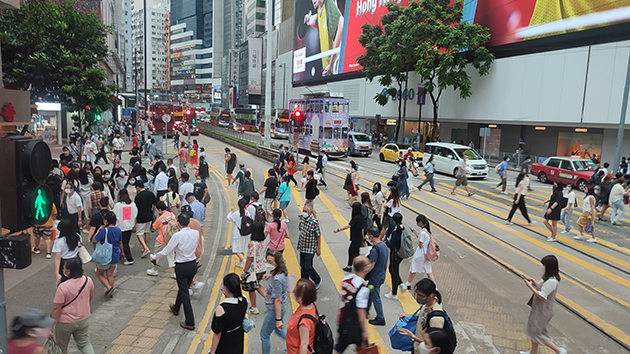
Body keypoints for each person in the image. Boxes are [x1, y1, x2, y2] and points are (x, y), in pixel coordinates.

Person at [151, 214, 199, 330]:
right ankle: (176, 307)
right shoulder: (195, 233)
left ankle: (190, 321)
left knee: (185, 291)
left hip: (181, 266)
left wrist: (154, 257)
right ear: (189, 222)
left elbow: (166, 251)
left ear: (178, 224)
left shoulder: (177, 235)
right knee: (183, 288)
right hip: (192, 264)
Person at [521, 255, 566, 354]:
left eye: (543, 264)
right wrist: (534, 283)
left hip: (543, 310)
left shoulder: (552, 281)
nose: (542, 266)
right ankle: (533, 352)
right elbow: (543, 288)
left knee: (537, 332)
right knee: (535, 330)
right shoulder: (546, 278)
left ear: (549, 266)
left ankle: (559, 351)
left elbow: (542, 295)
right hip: (539, 308)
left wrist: (529, 287)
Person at [51, 258, 96, 354]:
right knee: (85, 344)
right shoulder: (88, 280)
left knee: (61, 347)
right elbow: (90, 297)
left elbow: (57, 308)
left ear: (68, 271)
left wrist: (51, 322)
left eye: (64, 268)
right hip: (83, 319)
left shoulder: (63, 287)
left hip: (65, 322)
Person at [397, 278, 448, 352]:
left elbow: (433, 345)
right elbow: (423, 318)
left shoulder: (436, 319)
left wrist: (413, 337)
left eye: (421, 296)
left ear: (431, 296)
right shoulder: (427, 304)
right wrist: (408, 316)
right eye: (417, 295)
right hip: (417, 349)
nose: (418, 298)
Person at [333, 256, 370, 354]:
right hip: (356, 325)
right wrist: (364, 330)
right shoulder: (363, 288)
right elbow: (361, 311)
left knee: (339, 347)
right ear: (364, 268)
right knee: (363, 350)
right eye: (368, 264)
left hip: (343, 321)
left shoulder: (346, 280)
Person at [209, 273, 248, 354]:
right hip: (238, 337)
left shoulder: (221, 309)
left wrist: (212, 352)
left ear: (225, 288)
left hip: (225, 341)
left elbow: (217, 334)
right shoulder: (244, 300)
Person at [303, 0, 344, 76]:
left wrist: (331, 64)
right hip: (328, 68)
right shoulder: (319, 9)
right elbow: (320, 25)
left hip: (336, 65)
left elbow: (341, 22)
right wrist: (309, 19)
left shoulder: (329, 3)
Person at [241, 207, 269, 315]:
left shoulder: (252, 244)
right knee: (257, 286)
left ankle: (254, 307)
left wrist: (244, 271)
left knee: (252, 289)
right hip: (262, 268)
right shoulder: (264, 241)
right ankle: (270, 301)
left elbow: (249, 259)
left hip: (253, 270)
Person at [260, 250, 289, 354]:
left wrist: (278, 319)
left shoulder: (277, 279)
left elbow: (277, 300)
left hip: (274, 310)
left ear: (277, 263)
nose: (268, 264)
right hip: (280, 308)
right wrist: (270, 276)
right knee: (279, 330)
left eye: (271, 262)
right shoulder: (280, 272)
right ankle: (296, 343)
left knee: (264, 335)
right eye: (267, 261)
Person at [92, 212, 124, 297]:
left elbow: (94, 240)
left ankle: (109, 288)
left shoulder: (103, 230)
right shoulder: (118, 230)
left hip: (105, 255)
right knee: (110, 274)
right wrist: (122, 252)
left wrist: (98, 230)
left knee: (99, 273)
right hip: (115, 254)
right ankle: (111, 290)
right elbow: (120, 242)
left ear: (106, 221)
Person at [404, 214, 436, 290]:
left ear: (420, 222)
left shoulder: (422, 233)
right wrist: (415, 232)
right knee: (429, 271)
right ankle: (435, 287)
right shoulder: (426, 231)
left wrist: (419, 242)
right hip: (426, 254)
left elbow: (421, 245)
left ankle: (408, 284)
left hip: (420, 254)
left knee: (413, 269)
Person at [286, 278, 318, 354]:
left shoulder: (304, 321)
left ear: (300, 298)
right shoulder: (310, 306)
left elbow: (304, 344)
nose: (293, 291)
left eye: (295, 291)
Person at [365, 226, 388, 326]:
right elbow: (386, 262)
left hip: (375, 278)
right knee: (370, 292)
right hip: (381, 275)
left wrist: (363, 273)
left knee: (376, 297)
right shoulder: (383, 245)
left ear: (371, 236)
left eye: (368, 236)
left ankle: (380, 317)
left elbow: (371, 265)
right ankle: (366, 310)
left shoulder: (375, 250)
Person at [147, 202, 177, 277]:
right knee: (171, 254)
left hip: (162, 239)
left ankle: (155, 269)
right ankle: (174, 272)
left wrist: (158, 217)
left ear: (159, 209)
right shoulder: (172, 215)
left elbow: (154, 227)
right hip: (171, 238)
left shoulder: (160, 218)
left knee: (157, 254)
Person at [333, 202, 364, 273]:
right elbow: (362, 228)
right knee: (356, 253)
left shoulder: (355, 218)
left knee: (351, 251)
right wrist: (363, 237)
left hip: (356, 238)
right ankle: (357, 266)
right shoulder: (361, 217)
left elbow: (348, 226)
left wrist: (338, 229)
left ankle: (349, 266)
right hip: (359, 238)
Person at [297, 204, 322, 289]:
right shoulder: (302, 219)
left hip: (310, 248)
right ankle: (304, 281)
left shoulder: (314, 222)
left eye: (306, 211)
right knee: (303, 266)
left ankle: (317, 279)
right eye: (303, 211)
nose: (304, 213)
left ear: (310, 212)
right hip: (302, 247)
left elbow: (318, 235)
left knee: (308, 266)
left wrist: (318, 248)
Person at [52, 220, 81, 284]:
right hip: (76, 261)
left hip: (65, 262)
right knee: (77, 280)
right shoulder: (77, 236)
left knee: (64, 283)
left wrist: (56, 273)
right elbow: (80, 246)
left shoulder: (59, 241)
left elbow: (57, 258)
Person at [113, 189, 138, 265]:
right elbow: (135, 214)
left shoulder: (118, 205)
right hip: (130, 226)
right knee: (126, 242)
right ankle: (123, 254)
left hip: (121, 226)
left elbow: (114, 214)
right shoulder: (132, 204)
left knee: (124, 243)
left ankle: (129, 258)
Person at [384, 213, 405, 300]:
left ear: (394, 221)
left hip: (395, 254)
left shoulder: (396, 232)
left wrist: (387, 243)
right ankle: (400, 284)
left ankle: (394, 293)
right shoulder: (403, 229)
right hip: (401, 254)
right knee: (393, 269)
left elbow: (392, 246)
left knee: (393, 271)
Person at [227, 198, 252, 267]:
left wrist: (231, 211)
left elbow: (228, 218)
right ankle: (240, 263)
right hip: (246, 234)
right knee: (242, 249)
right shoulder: (247, 213)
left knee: (236, 250)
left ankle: (244, 261)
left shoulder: (236, 213)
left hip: (238, 234)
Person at [134, 178, 156, 256]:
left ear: (137, 187)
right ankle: (146, 247)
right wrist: (152, 212)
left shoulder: (138, 197)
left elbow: (136, 209)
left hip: (141, 217)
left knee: (139, 233)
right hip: (149, 215)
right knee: (147, 232)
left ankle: (145, 248)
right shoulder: (151, 194)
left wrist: (135, 219)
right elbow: (155, 204)